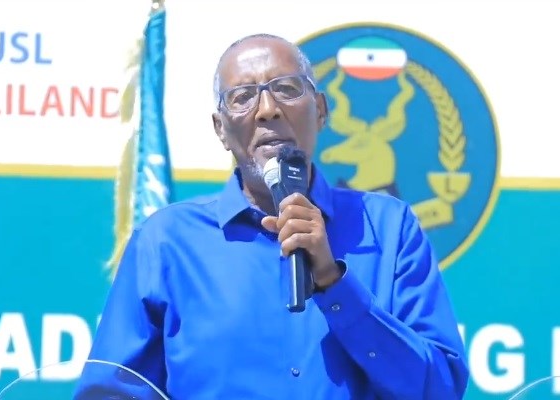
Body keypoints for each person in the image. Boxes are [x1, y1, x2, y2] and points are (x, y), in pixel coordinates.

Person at [74, 33, 469, 399]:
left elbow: (440, 389)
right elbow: (110, 392)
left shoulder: (388, 228)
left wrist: (334, 284)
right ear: (221, 129)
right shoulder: (166, 241)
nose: (267, 110)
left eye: (286, 89)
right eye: (243, 97)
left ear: (320, 110)